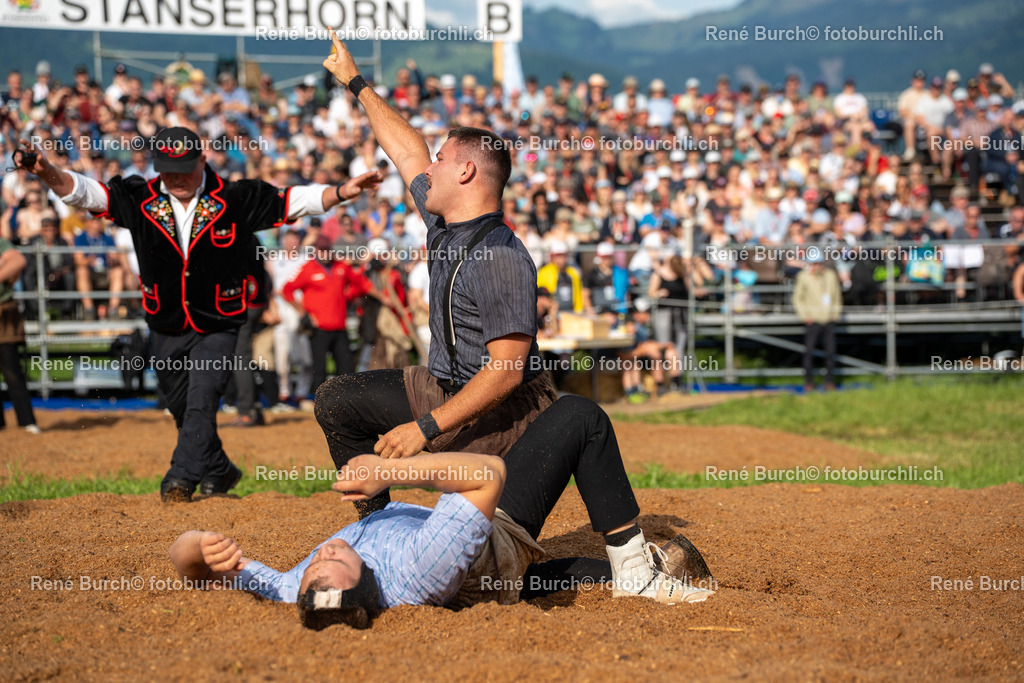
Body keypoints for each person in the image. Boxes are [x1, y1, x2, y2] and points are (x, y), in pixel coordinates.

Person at [16, 128, 380, 502]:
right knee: (180, 406)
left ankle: (180, 477)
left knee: (201, 398)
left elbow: (290, 201)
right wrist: (47, 172)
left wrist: (340, 192)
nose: (176, 178)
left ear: (203, 161)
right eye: (168, 169)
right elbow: (90, 193)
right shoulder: (140, 198)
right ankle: (219, 468)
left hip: (219, 321)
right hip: (166, 321)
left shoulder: (234, 198)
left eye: (184, 168)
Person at [168, 396, 714, 631]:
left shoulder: (301, 592)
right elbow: (487, 477)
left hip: (471, 572)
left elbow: (187, 564)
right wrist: (393, 473)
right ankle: (635, 572)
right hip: (492, 552)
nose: (325, 553)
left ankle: (573, 577)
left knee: (514, 578)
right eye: (335, 563)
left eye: (313, 568)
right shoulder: (417, 570)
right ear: (367, 583)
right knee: (579, 416)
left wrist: (196, 547)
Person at [316, 31, 557, 519]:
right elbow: (407, 151)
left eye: (442, 161)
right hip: (443, 386)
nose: (429, 168)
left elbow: (507, 371)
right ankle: (376, 525)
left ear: (466, 172)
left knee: (474, 552)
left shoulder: (501, 255)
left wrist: (424, 428)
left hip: (504, 413)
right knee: (336, 399)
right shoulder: (443, 220)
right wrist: (355, 82)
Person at [0, 237, 40, 433]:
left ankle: (26, 421)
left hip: (3, 312)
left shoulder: (1, 244)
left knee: (11, 369)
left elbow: (18, 261)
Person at [793, 252, 842, 391]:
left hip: (828, 319)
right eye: (815, 264)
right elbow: (798, 298)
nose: (817, 267)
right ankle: (809, 381)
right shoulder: (803, 277)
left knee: (831, 352)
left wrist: (835, 314)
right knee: (809, 352)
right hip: (812, 320)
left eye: (819, 263)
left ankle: (829, 381)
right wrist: (805, 316)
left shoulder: (830, 276)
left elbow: (837, 296)